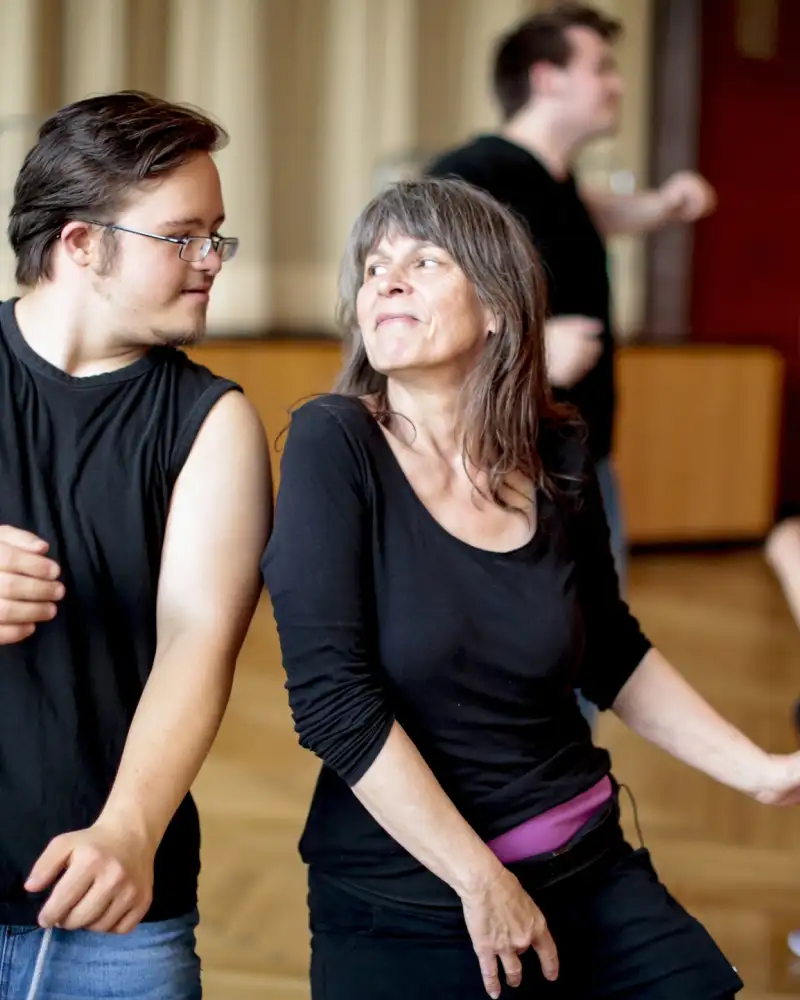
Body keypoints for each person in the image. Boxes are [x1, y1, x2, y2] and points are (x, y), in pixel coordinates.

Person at [263, 177, 800, 1000]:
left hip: (589, 860)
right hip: (412, 893)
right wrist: (482, 883)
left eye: (424, 260)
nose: (387, 281)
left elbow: (610, 647)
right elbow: (333, 703)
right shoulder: (334, 445)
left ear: (500, 311)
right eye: (374, 268)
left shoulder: (556, 448)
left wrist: (759, 772)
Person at [0, 91, 271, 999]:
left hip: (112, 906)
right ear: (81, 243)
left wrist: (128, 830)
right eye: (182, 237)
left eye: (216, 237)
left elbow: (200, 638)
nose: (210, 263)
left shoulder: (214, 422)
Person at [426, 2, 716, 594]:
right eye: (602, 67)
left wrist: (664, 206)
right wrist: (528, 348)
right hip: (514, 463)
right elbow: (425, 299)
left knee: (598, 650)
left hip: (584, 457)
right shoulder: (471, 173)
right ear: (546, 78)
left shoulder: (557, 185)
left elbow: (584, 215)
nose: (619, 84)